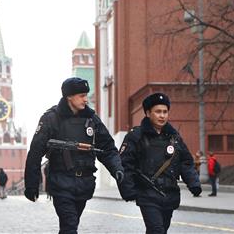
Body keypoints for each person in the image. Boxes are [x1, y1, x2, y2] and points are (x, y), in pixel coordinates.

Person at [24, 77, 124, 234]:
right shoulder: (51, 118)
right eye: (82, 95)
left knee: (70, 226)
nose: (86, 99)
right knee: (70, 225)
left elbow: (107, 148)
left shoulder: (91, 119)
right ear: (69, 96)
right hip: (61, 182)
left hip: (84, 183)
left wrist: (117, 168)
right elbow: (35, 152)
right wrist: (31, 184)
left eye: (86, 95)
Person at [119, 92, 202, 234]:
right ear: (147, 113)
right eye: (158, 112)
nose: (162, 115)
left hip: (169, 193)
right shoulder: (136, 136)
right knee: (156, 229)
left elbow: (185, 162)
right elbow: (125, 164)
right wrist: (128, 190)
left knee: (161, 230)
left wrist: (194, 183)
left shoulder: (174, 137)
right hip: (147, 193)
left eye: (165, 112)